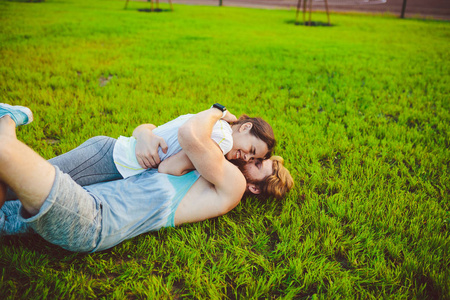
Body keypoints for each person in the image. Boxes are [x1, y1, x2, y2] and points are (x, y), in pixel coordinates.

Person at [0, 104, 293, 252]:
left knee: (7, 159)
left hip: (92, 219)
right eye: (254, 154)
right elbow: (168, 136)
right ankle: (7, 123)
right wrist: (144, 135)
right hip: (91, 192)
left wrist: (216, 111)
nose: (249, 159)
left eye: (257, 162)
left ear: (254, 187)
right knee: (7, 196)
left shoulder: (233, 182)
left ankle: (8, 124)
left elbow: (189, 136)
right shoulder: (211, 160)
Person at [114, 105, 276, 177]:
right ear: (246, 127)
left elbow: (152, 128)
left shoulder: (211, 122)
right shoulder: (224, 140)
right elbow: (167, 169)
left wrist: (143, 134)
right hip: (118, 163)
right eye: (252, 151)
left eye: (253, 159)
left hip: (116, 152)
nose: (247, 158)